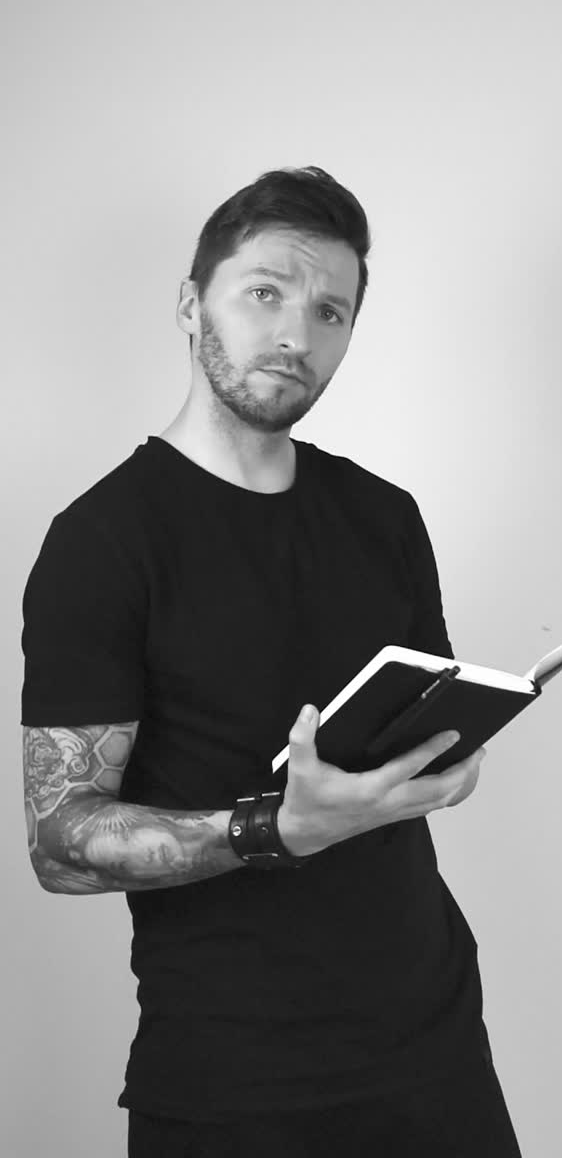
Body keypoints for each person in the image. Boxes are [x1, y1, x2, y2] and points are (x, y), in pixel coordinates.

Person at [21, 165, 523, 1157]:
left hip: (434, 1048)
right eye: (266, 293)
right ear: (188, 302)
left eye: (330, 309)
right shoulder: (103, 540)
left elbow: (425, 731)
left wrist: (448, 766)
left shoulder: (384, 517)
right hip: (237, 1083)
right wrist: (276, 827)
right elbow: (58, 841)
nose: (298, 333)